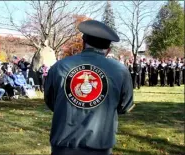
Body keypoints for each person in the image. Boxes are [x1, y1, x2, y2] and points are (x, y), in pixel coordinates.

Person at [44, 20, 134, 155]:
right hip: (100, 143)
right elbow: (125, 106)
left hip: (63, 144)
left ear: (83, 44)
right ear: (108, 49)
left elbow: (51, 102)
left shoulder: (60, 66)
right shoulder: (120, 70)